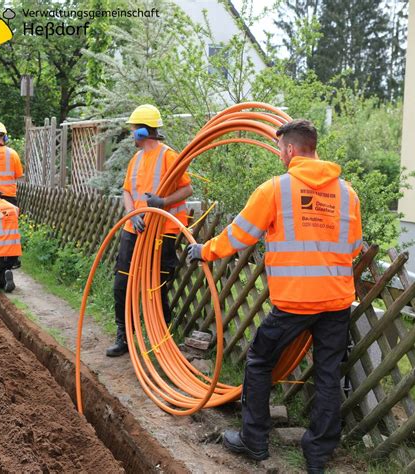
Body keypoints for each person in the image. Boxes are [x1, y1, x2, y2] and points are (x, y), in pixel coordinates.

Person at [187, 119, 362, 473]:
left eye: (281, 148)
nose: (281, 154)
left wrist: (204, 251)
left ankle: (254, 441)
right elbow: (354, 247)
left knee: (259, 361)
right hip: (337, 301)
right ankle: (317, 454)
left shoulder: (276, 190)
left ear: (291, 149)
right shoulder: (348, 194)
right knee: (328, 374)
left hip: (295, 301)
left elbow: (239, 235)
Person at [106, 104, 193, 357]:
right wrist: (131, 215)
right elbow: (126, 192)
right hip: (134, 230)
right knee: (122, 283)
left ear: (143, 132)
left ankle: (162, 340)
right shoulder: (136, 159)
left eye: (133, 130)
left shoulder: (169, 156)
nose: (131, 134)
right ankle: (124, 336)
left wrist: (163, 203)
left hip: (162, 232)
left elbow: (188, 190)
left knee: (156, 287)